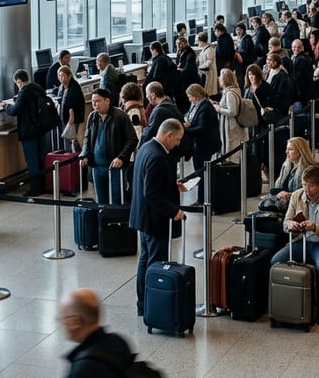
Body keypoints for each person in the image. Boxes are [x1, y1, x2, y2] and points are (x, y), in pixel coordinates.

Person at [19, 288, 135, 378]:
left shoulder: (84, 369)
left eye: (61, 319)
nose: (61, 324)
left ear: (75, 322)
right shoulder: (117, 341)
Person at [272, 166, 319, 324]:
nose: (306, 189)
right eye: (304, 184)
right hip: (301, 240)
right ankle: (283, 301)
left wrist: (315, 227)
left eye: (311, 186)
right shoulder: (296, 196)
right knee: (276, 261)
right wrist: (291, 225)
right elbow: (286, 221)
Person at [130, 119, 188, 315]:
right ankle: (152, 306)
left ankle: (143, 303)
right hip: (155, 221)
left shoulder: (146, 148)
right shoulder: (158, 156)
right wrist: (173, 211)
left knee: (145, 260)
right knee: (155, 264)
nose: (178, 144)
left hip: (143, 218)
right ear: (168, 135)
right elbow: (151, 192)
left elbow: (149, 182)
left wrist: (172, 184)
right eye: (177, 139)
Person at [80, 88, 138, 205]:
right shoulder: (92, 117)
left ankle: (117, 217)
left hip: (115, 166)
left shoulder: (121, 116)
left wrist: (121, 157)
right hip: (97, 166)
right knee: (101, 199)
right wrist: (84, 154)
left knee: (117, 198)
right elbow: (87, 138)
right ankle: (103, 217)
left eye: (98, 101)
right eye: (93, 102)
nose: (95, 105)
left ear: (107, 101)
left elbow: (132, 139)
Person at [2, 69, 50, 197]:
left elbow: (15, 110)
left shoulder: (24, 92)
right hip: (40, 129)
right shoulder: (37, 88)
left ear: (19, 81)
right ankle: (44, 185)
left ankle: (35, 188)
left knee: (32, 160)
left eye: (17, 83)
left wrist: (5, 106)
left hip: (29, 131)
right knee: (41, 158)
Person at [183, 84, 220, 174]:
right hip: (202, 144)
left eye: (190, 97)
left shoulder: (205, 108)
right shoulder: (199, 105)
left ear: (196, 96)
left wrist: (185, 130)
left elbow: (202, 128)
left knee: (201, 170)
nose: (189, 99)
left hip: (204, 145)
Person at [271, 136, 319, 202]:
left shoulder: (310, 169)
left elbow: (308, 192)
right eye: (287, 149)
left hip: (298, 201)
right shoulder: (286, 166)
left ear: (300, 151)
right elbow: (278, 187)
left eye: (290, 149)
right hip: (283, 200)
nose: (286, 152)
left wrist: (289, 195)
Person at [215, 68, 247, 155]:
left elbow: (232, 111)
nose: (219, 79)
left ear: (225, 80)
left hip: (230, 128)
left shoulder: (230, 93)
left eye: (221, 78)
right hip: (228, 126)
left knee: (231, 152)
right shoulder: (230, 91)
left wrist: (218, 109)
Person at [139, 82, 180, 147]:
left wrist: (141, 148)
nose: (146, 96)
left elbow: (149, 132)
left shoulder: (159, 111)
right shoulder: (171, 104)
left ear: (153, 95)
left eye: (146, 93)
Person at [56, 65, 86, 153]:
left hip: (72, 119)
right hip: (65, 118)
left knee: (72, 140)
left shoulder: (74, 88)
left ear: (69, 76)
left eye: (63, 75)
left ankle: (77, 156)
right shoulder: (63, 87)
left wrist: (71, 121)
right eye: (59, 76)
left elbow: (72, 107)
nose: (60, 78)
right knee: (70, 140)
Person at [196, 31, 218, 97]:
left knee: (209, 92)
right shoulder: (204, 49)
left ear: (202, 41)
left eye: (198, 41)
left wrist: (199, 67)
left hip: (209, 73)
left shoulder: (209, 50)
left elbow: (209, 62)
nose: (197, 43)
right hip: (204, 73)